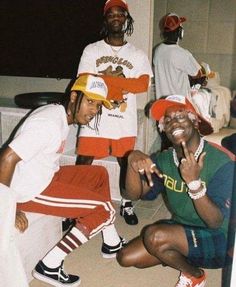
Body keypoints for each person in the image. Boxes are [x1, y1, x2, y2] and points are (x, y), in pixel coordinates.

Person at [0, 74, 126, 287]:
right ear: (74, 97)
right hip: (30, 191)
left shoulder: (60, 115)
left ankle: (111, 241)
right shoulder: (47, 123)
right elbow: (6, 158)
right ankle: (49, 265)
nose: (93, 111)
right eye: (89, 102)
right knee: (104, 209)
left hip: (45, 176)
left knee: (99, 175)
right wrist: (7, 208)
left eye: (98, 105)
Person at [116, 95, 235, 287]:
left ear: (195, 121)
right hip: (184, 228)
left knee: (155, 237)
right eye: (167, 120)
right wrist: (131, 160)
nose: (173, 123)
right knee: (126, 257)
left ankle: (194, 276)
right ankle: (182, 253)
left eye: (180, 116)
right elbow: (132, 195)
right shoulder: (164, 159)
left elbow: (215, 221)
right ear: (163, 129)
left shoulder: (222, 162)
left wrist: (194, 183)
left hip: (221, 241)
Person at [75, 0, 153, 226]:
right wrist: (122, 83)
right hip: (93, 117)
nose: (116, 17)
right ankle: (76, 205)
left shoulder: (137, 54)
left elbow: (143, 85)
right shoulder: (92, 49)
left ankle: (127, 204)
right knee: (83, 162)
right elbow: (84, 80)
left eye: (121, 14)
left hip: (122, 120)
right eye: (111, 14)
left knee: (126, 163)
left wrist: (103, 81)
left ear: (127, 19)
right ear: (105, 19)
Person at [153, 13, 207, 100]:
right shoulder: (182, 54)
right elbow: (198, 74)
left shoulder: (157, 50)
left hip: (162, 103)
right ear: (180, 32)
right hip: (179, 105)